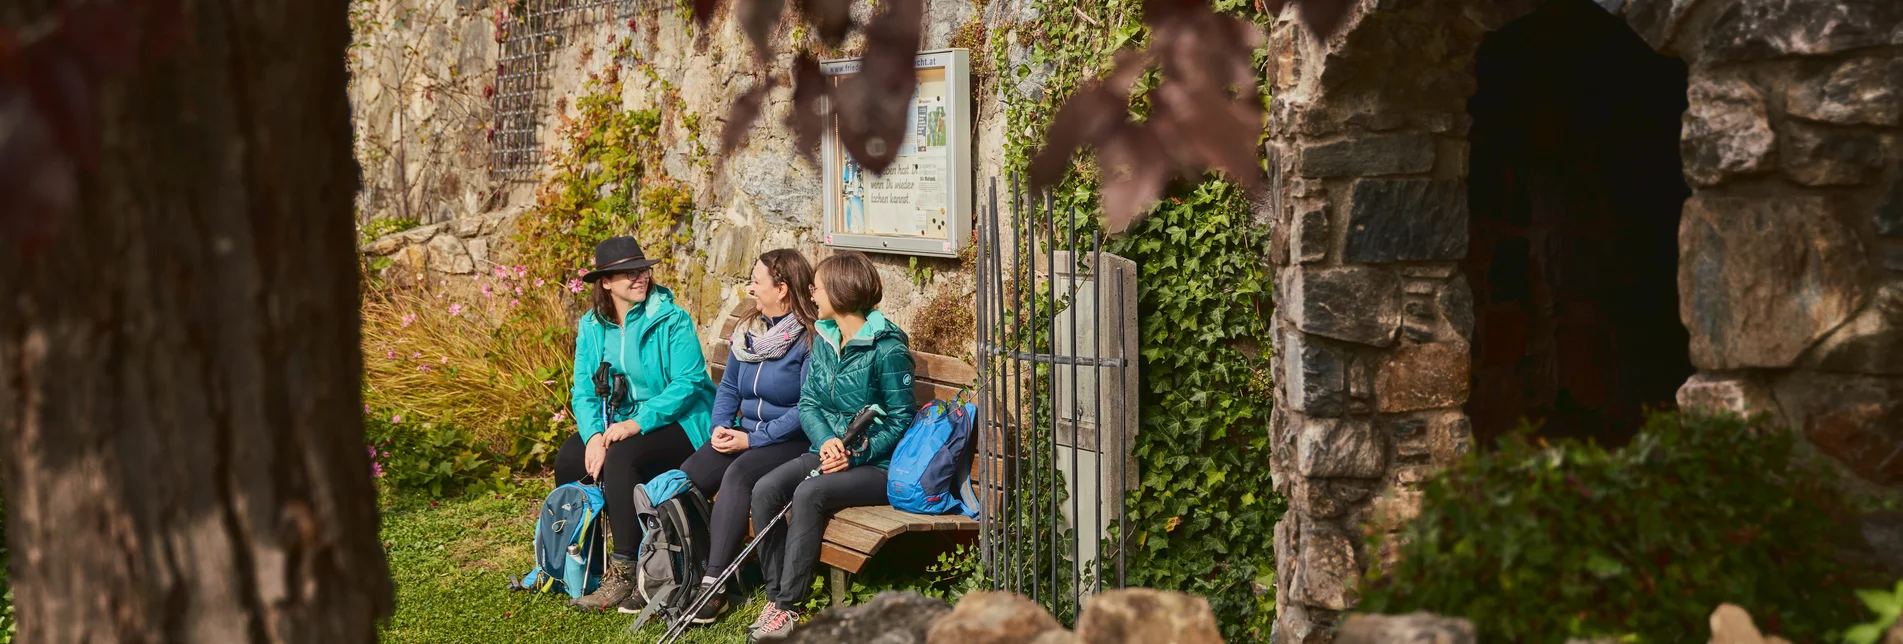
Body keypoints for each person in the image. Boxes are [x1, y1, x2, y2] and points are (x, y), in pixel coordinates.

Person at [746, 251, 916, 641]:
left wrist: (854, 454)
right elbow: (810, 403)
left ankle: (791, 605)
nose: (811, 293)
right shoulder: (824, 336)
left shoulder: (887, 348)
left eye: (816, 287)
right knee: (766, 489)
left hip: (879, 465)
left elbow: (900, 419)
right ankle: (776, 599)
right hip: (832, 451)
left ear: (839, 293)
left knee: (809, 493)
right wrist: (826, 442)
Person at [551, 236, 715, 613]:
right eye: (629, 273)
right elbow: (584, 389)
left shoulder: (671, 318)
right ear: (606, 283)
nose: (640, 278)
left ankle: (624, 571)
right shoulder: (593, 326)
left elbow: (688, 383)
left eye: (642, 270)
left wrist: (637, 423)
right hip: (619, 423)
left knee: (621, 458)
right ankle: (584, 562)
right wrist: (593, 435)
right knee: (570, 457)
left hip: (683, 421)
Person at [677, 249, 819, 624]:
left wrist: (752, 441)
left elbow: (806, 409)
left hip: (791, 441)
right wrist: (720, 427)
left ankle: (715, 585)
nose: (750, 288)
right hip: (744, 433)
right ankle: (690, 566)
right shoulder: (749, 330)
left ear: (782, 289)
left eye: (757, 281)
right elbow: (727, 390)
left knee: (739, 475)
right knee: (690, 473)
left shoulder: (807, 339)